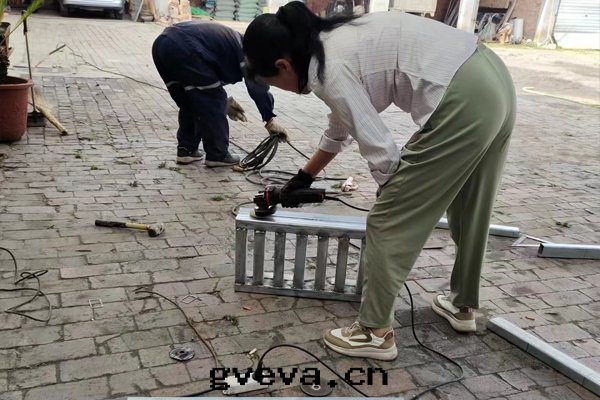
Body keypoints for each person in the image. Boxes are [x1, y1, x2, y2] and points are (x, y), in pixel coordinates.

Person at [243, 2, 516, 360]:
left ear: (283, 65)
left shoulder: (328, 70)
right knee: (471, 206)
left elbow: (380, 149)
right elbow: (340, 125)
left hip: (462, 99)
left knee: (387, 221)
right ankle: (462, 305)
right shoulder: (332, 42)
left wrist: (393, 197)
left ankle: (373, 332)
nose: (281, 88)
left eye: (273, 83)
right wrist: (304, 176)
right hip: (493, 80)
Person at [152, 20, 287, 167]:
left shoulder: (232, 43)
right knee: (214, 99)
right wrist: (269, 119)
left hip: (162, 45)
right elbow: (257, 87)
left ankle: (187, 150)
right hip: (186, 46)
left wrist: (224, 103)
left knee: (189, 100)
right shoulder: (249, 52)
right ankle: (217, 155)